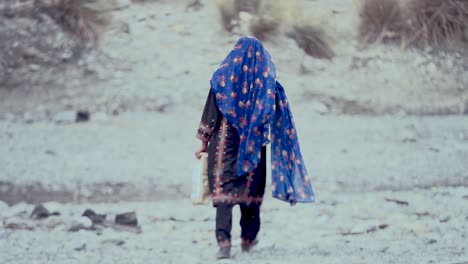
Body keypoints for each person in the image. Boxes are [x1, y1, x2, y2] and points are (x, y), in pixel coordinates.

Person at [195, 36, 314, 259]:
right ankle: (248, 241)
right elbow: (275, 114)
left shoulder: (222, 79)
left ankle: (224, 244)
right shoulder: (267, 84)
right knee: (249, 195)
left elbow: (210, 114)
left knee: (224, 196)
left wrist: (203, 142)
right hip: (253, 147)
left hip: (224, 147)